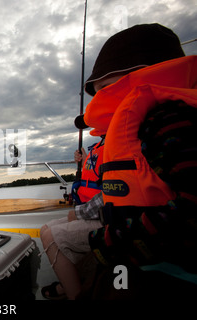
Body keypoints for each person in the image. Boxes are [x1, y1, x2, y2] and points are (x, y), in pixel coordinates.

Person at [81, 23, 197, 298]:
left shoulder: (170, 121)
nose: (101, 102)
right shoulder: (144, 122)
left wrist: (110, 242)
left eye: (108, 89)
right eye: (98, 94)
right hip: (137, 266)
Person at [40, 139, 105, 300]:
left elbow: (112, 193)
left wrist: (79, 214)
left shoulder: (119, 144)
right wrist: (85, 164)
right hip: (93, 212)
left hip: (108, 216)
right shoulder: (103, 143)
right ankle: (69, 284)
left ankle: (76, 295)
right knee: (44, 229)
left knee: (51, 237)